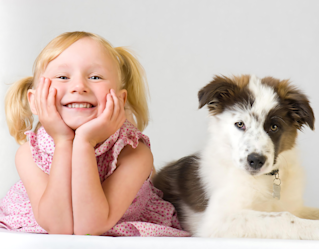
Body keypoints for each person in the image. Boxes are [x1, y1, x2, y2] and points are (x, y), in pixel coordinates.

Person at [0, 31, 189, 237]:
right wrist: (64, 142)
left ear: (120, 99)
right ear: (34, 100)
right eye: (63, 77)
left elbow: (88, 229)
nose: (79, 86)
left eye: (95, 77)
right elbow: (59, 228)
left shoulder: (133, 153)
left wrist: (84, 143)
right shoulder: (30, 154)